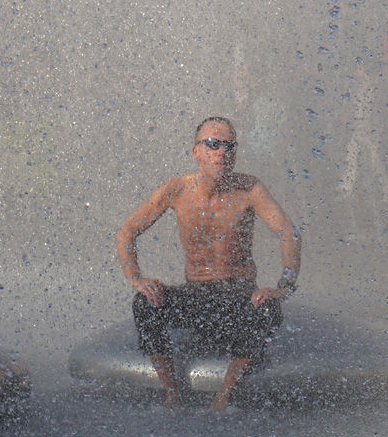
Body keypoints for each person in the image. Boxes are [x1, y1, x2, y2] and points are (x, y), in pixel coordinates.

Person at [115, 117, 302, 412]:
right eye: (213, 145)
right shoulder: (176, 189)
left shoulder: (249, 188)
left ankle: (222, 399)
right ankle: (172, 395)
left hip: (238, 296)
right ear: (196, 152)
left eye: (229, 146)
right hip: (197, 295)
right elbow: (127, 232)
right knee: (144, 302)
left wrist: (284, 285)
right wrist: (136, 278)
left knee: (268, 308)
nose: (221, 153)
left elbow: (287, 232)